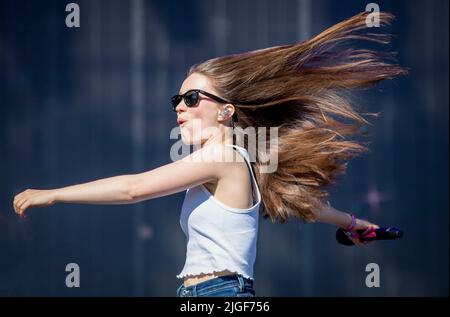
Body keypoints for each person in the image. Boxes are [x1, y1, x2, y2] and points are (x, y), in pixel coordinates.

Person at [12, 11, 406, 297]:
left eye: (191, 98)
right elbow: (303, 205)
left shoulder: (224, 157)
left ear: (226, 111)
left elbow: (135, 189)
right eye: (176, 100)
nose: (180, 107)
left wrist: (54, 194)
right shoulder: (246, 162)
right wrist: (352, 222)